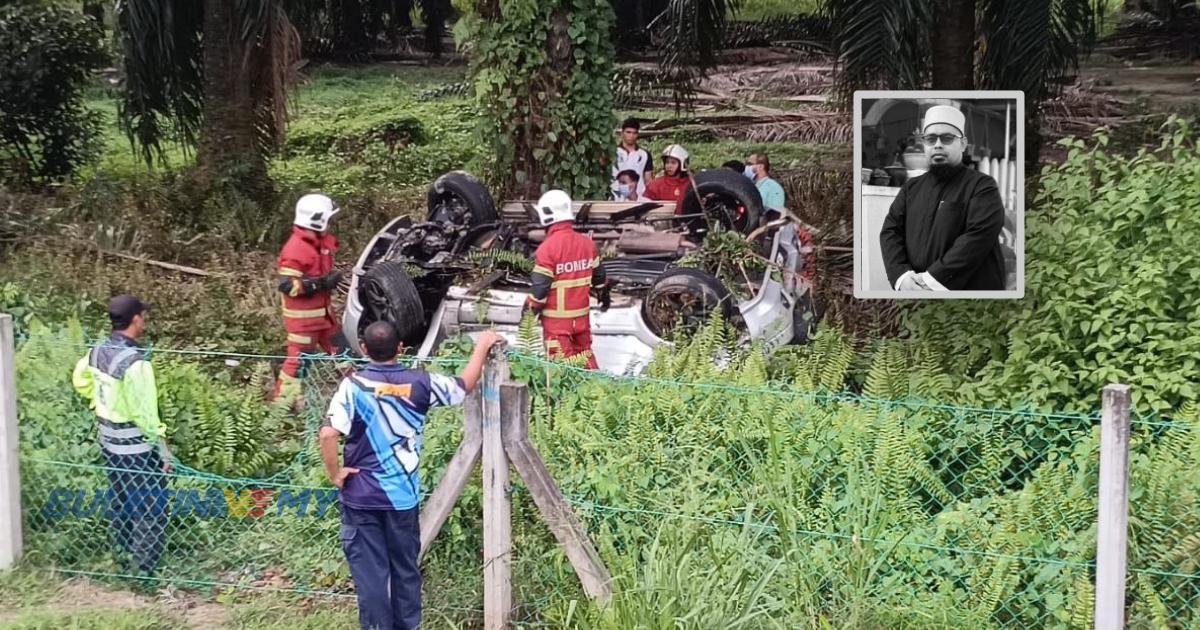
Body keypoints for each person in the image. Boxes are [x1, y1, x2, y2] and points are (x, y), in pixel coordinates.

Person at [319, 321, 504, 630]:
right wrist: (482, 346)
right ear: (400, 348)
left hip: (361, 499)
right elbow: (464, 385)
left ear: (364, 349)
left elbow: (328, 435)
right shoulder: (421, 383)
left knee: (372, 578)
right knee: (405, 572)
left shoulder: (352, 387)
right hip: (402, 499)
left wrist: (336, 474)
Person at [72, 294, 172, 575]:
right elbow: (146, 414)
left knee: (122, 500)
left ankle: (122, 555)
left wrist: (100, 401)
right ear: (136, 319)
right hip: (136, 449)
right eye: (143, 316)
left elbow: (80, 380)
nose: (145, 320)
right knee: (150, 508)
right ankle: (144, 572)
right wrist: (162, 448)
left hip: (108, 442)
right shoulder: (136, 364)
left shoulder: (97, 351)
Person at [879, 105, 1006, 292]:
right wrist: (902, 276)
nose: (937, 144)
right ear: (924, 145)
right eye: (931, 139)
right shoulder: (911, 188)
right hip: (913, 293)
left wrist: (931, 281)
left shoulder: (982, 186)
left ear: (963, 144)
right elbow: (891, 231)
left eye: (946, 138)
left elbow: (977, 237)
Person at [524, 189, 608, 370]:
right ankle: (598, 392)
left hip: (557, 323)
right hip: (582, 319)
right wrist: (604, 294)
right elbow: (600, 278)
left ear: (546, 215)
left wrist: (528, 312)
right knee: (585, 358)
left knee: (562, 371)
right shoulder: (588, 244)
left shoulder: (547, 249)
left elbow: (540, 290)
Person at [275, 193, 346, 400]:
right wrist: (322, 283)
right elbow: (289, 286)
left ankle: (361, 390)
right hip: (303, 323)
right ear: (317, 219)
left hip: (325, 318)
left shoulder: (319, 244)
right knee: (298, 363)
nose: (331, 224)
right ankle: (281, 408)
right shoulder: (295, 249)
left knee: (343, 353)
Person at [613, 118, 654, 197]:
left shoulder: (644, 154)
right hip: (615, 197)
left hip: (638, 197)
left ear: (637, 134)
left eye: (634, 133)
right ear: (622, 133)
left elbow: (648, 180)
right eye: (628, 132)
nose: (631, 136)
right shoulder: (613, 152)